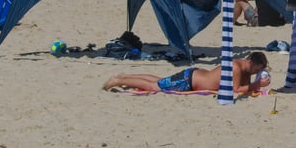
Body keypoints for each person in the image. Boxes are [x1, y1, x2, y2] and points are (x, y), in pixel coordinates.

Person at [103, 52, 269, 94]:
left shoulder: (244, 67)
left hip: (194, 75)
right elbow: (236, 89)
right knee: (155, 87)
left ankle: (124, 77)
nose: (257, 72)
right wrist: (257, 85)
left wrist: (255, 84)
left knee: (160, 81)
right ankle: (117, 81)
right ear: (250, 62)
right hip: (190, 80)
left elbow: (243, 86)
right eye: (257, 69)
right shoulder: (237, 68)